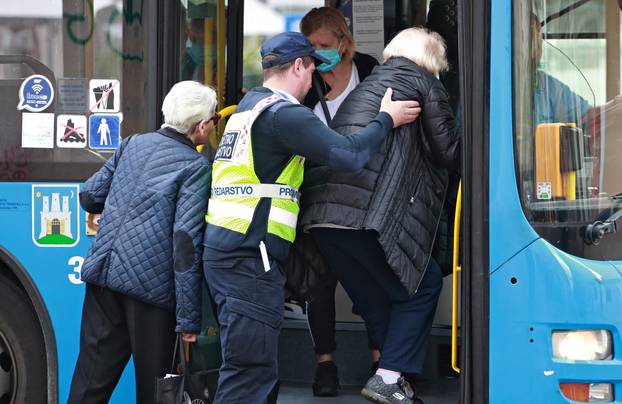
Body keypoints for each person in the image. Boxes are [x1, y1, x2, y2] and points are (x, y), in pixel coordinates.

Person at [202, 31, 421, 404]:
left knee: (254, 369)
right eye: (311, 71)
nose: (314, 82)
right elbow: (349, 156)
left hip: (234, 253)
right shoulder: (283, 115)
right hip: (249, 259)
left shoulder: (249, 108)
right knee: (249, 374)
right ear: (298, 66)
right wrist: (387, 119)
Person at [299, 27, 461, 404]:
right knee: (421, 285)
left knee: (375, 297)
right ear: (432, 61)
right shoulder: (423, 83)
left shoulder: (371, 84)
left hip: (325, 218)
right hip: (365, 216)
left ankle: (394, 380)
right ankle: (388, 376)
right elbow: (449, 153)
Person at [68, 81, 218, 404]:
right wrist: (189, 320)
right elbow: (184, 243)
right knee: (155, 391)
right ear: (202, 126)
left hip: (105, 280)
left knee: (90, 383)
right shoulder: (196, 167)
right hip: (151, 295)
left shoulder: (131, 144)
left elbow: (89, 194)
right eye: (214, 119)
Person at [298, 6, 380, 397]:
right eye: (310, 46)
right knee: (319, 282)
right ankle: (324, 364)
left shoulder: (370, 68)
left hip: (367, 194)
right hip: (319, 194)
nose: (317, 54)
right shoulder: (304, 80)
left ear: (344, 43)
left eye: (324, 45)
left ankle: (382, 360)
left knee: (371, 282)